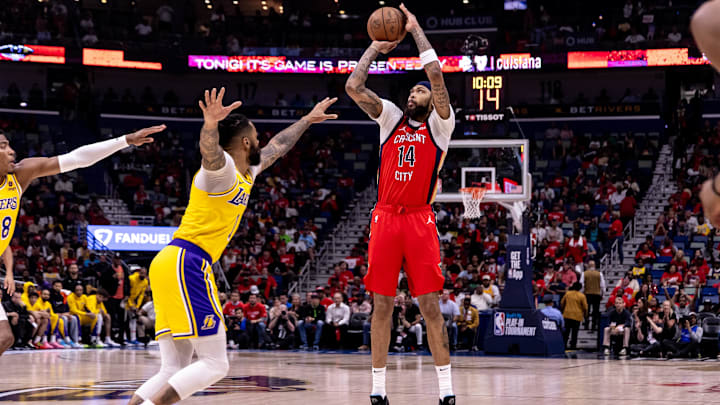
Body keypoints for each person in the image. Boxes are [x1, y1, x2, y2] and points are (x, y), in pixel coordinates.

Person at [130, 87, 337, 405]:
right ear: (244, 143)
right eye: (256, 137)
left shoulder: (247, 171)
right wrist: (210, 124)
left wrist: (307, 120)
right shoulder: (222, 171)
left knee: (174, 366)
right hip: (188, 260)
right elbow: (209, 153)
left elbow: (278, 147)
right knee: (215, 364)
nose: (260, 142)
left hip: (170, 262)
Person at [345, 4, 456, 403]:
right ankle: (377, 391)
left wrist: (415, 30)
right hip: (386, 218)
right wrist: (374, 48)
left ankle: (446, 392)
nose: (415, 93)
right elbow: (353, 88)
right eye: (411, 90)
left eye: (420, 90)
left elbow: (437, 75)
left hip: (420, 221)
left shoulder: (441, 125)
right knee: (382, 307)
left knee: (430, 307)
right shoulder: (390, 117)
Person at [0, 123, 163, 357]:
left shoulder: (19, 175)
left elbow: (77, 158)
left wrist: (124, 140)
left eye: (9, 145)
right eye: (3, 147)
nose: (11, 151)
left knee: (4, 337)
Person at [560, 282, 588, 350]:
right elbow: (585, 307)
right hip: (577, 316)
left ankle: (564, 345)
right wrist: (585, 315)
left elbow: (562, 303)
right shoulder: (582, 296)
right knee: (574, 333)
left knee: (566, 332)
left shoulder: (568, 293)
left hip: (567, 315)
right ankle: (573, 346)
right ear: (580, 288)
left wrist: (563, 310)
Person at [579, 260, 604, 331]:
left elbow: (582, 284)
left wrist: (582, 292)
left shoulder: (584, 273)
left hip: (587, 294)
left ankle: (586, 324)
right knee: (595, 310)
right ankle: (593, 325)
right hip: (597, 294)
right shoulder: (599, 274)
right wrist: (602, 294)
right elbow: (602, 285)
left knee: (587, 309)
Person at [127, 267, 149, 345]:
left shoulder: (145, 282)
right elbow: (127, 292)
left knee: (133, 320)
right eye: (141, 273)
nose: (143, 275)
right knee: (125, 321)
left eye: (144, 273)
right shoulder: (131, 279)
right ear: (139, 272)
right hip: (126, 301)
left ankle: (133, 339)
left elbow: (141, 295)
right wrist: (130, 304)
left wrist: (137, 306)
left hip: (134, 304)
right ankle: (124, 339)